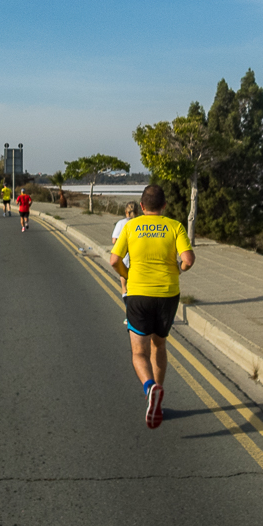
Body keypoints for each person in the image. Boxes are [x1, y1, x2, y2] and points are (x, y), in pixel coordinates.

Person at [110, 184, 195, 430]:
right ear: (165, 206)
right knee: (159, 344)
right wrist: (178, 270)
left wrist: (128, 274)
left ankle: (150, 389)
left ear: (142, 206)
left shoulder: (131, 226)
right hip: (168, 294)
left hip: (138, 294)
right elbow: (188, 260)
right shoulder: (175, 226)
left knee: (139, 352)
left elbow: (114, 260)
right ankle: (159, 395)